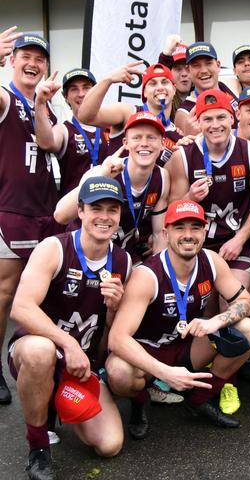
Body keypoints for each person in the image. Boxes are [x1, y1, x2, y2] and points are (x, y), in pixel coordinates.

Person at [9, 176, 131, 479]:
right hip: (39, 350)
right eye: (96, 208)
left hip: (81, 367)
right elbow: (21, 307)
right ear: (80, 211)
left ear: (119, 216)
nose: (104, 217)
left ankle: (55, 401)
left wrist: (115, 309)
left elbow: (106, 342)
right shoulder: (54, 248)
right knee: (41, 350)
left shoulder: (123, 261)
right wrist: (69, 344)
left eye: (112, 210)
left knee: (110, 445)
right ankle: (38, 447)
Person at [106, 199, 250, 438]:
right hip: (149, 352)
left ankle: (199, 400)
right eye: (180, 227)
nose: (188, 235)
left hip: (188, 346)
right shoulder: (147, 276)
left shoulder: (211, 260)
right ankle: (140, 401)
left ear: (205, 230)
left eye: (195, 227)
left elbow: (247, 302)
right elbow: (116, 339)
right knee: (118, 371)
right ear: (166, 233)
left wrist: (215, 321)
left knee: (249, 330)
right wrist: (165, 373)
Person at [0, 29, 61, 405]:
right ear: (11, 59)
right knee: (5, 292)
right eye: (26, 56)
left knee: (44, 293)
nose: (33, 63)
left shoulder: (47, 102)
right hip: (12, 208)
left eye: (40, 58)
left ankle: (39, 359)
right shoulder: (5, 97)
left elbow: (48, 143)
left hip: (46, 211)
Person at [167, 89, 250, 290]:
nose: (215, 125)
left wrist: (240, 240)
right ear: (198, 123)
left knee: (230, 301)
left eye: (221, 117)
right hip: (197, 242)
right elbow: (172, 211)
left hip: (236, 240)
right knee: (202, 305)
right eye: (207, 119)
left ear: (232, 118)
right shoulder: (183, 157)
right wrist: (190, 198)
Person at [55, 111, 170, 263]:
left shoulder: (162, 177)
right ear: (126, 143)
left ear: (162, 144)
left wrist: (158, 272)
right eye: (137, 137)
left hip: (122, 256)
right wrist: (103, 175)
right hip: (83, 254)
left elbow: (158, 235)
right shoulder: (106, 170)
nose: (144, 143)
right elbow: (60, 216)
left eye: (151, 137)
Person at [77, 62, 181, 166]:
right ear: (144, 92)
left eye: (165, 82)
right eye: (152, 83)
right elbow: (85, 116)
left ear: (174, 89)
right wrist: (108, 80)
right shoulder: (127, 113)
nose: (160, 88)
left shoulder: (177, 135)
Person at [35, 68, 110, 197]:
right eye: (74, 89)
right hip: (74, 212)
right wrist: (41, 103)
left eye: (86, 87)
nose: (81, 94)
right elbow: (47, 143)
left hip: (107, 208)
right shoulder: (64, 130)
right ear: (66, 97)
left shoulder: (111, 127)